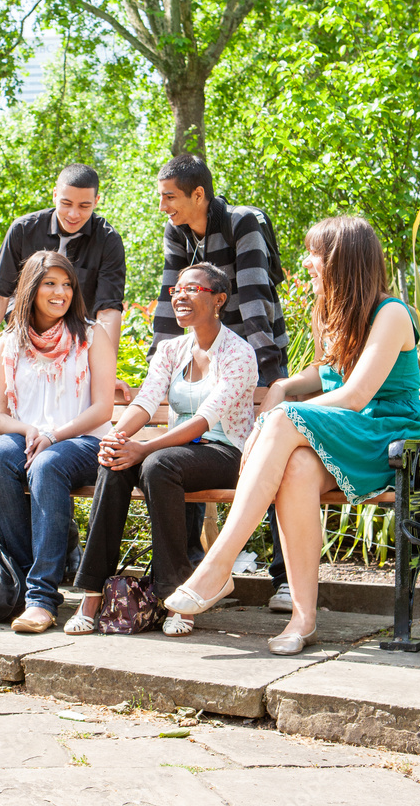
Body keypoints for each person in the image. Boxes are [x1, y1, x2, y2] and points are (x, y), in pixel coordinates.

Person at [164, 216, 420, 654]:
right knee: (297, 469)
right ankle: (303, 620)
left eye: (315, 254)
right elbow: (326, 374)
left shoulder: (391, 313)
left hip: (387, 434)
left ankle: (218, 566)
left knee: (282, 420)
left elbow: (356, 394)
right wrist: (285, 386)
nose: (306, 263)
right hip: (348, 431)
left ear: (343, 260)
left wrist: (279, 412)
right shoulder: (326, 311)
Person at [66, 263, 257, 637]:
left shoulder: (239, 353)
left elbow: (204, 421)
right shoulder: (171, 349)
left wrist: (144, 448)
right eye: (176, 289)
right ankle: (91, 593)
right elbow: (145, 402)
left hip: (225, 452)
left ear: (219, 299)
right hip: (176, 452)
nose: (180, 295)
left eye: (192, 289)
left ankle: (177, 595)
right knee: (116, 462)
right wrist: (117, 439)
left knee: (157, 465)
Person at [152, 153, 291, 610]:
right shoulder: (177, 232)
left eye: (169, 197)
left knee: (269, 456)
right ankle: (194, 569)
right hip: (200, 356)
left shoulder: (241, 222)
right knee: (185, 447)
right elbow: (170, 299)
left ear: (199, 194)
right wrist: (159, 364)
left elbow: (253, 295)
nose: (163, 207)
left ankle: (286, 578)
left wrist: (267, 375)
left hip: (254, 355)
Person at [0, 251, 117, 634]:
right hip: (32, 440)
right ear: (30, 289)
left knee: (47, 464)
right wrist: (27, 430)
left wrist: (54, 435)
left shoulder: (91, 336)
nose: (61, 292)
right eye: (50, 284)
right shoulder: (8, 344)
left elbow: (103, 409)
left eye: (67, 284)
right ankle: (28, 579)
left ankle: (40, 598)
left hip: (83, 443)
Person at [0, 163, 126, 380]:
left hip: (76, 344)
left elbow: (108, 311)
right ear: (54, 195)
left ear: (96, 201)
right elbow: (0, 294)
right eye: (66, 203)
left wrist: (106, 372)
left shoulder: (108, 241)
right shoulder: (23, 230)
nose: (74, 214)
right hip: (23, 337)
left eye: (84, 206)